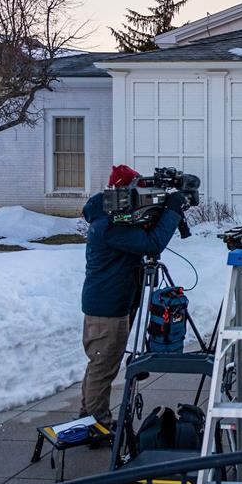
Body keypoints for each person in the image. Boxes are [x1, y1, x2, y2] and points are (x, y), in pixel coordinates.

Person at [78, 164, 186, 431]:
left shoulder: (113, 217)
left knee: (100, 364)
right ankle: (97, 424)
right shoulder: (109, 224)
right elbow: (151, 243)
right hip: (107, 308)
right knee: (103, 365)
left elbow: (144, 235)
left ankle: (88, 418)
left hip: (113, 302)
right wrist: (172, 212)